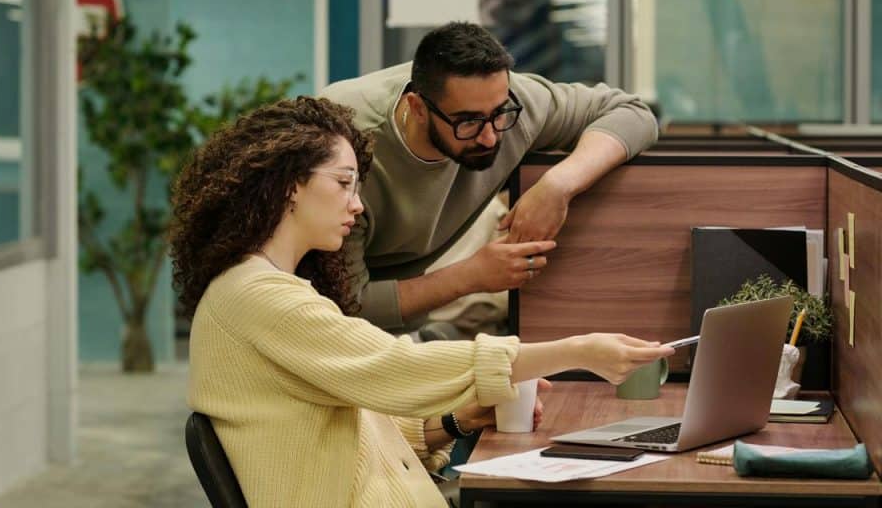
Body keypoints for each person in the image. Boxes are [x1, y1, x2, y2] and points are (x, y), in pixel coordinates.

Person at [170, 96, 674, 507]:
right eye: (343, 184)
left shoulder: (277, 289)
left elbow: (366, 429)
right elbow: (397, 367)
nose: (357, 204)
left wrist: (461, 420)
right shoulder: (257, 297)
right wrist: (579, 352)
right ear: (288, 189)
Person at [320, 22, 660, 331]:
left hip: (398, 330)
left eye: (499, 114)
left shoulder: (512, 103)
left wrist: (559, 185)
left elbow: (632, 113)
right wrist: (471, 276)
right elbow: (342, 307)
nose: (490, 137)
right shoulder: (341, 148)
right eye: (467, 121)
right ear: (418, 108)